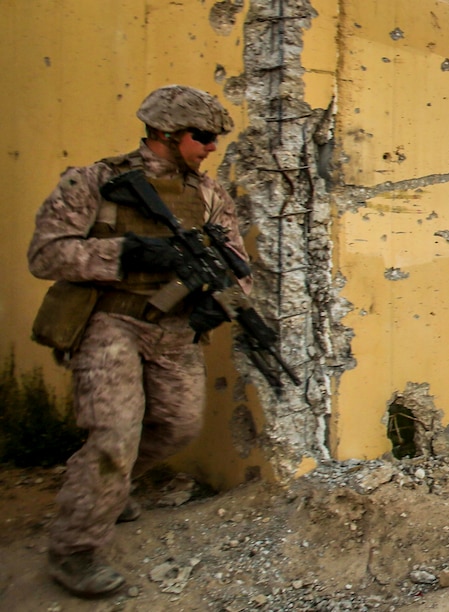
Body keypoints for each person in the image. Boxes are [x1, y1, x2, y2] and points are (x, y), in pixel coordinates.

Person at [27, 85, 247, 597]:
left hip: (173, 327)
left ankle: (107, 486)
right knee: (114, 435)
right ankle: (75, 549)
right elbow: (45, 255)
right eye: (205, 137)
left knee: (178, 426)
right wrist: (128, 254)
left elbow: (236, 263)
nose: (212, 147)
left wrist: (224, 302)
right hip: (110, 321)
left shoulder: (210, 194)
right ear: (167, 133)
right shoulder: (95, 182)